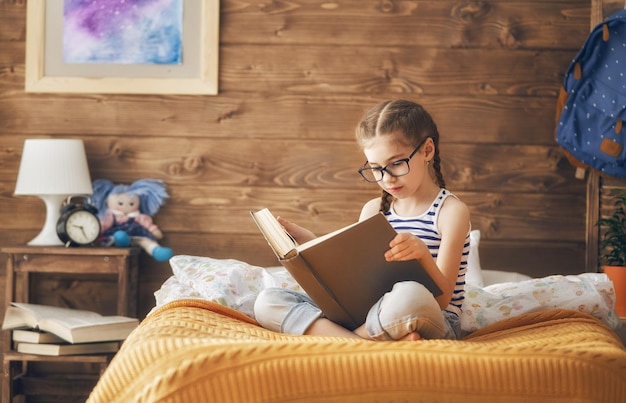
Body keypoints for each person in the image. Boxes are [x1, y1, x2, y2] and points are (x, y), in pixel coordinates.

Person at [253, 99, 471, 341]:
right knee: (268, 300)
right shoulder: (373, 210)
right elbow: (354, 280)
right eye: (376, 168)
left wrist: (421, 255)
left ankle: (347, 339)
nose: (386, 179)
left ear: (427, 150)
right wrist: (310, 245)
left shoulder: (451, 212)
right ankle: (372, 340)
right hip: (369, 314)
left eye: (396, 163)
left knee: (410, 294)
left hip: (431, 316)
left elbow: (441, 301)